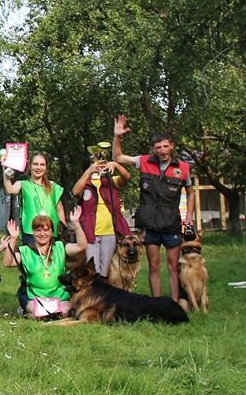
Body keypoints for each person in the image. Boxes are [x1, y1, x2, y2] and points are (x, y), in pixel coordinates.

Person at [113, 115, 195, 300]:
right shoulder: (144, 161)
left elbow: (191, 193)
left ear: (171, 146)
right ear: (153, 149)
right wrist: (117, 135)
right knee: (154, 265)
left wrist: (189, 216)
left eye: (165, 146)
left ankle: (173, 303)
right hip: (149, 224)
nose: (162, 150)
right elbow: (117, 157)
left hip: (171, 224)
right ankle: (157, 304)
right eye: (158, 147)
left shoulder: (183, 168)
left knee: (173, 266)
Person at [6, 207, 87, 318]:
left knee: (65, 313)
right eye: (38, 230)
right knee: (39, 313)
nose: (42, 234)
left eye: (46, 230)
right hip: (35, 298)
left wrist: (75, 223)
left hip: (59, 298)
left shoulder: (60, 247)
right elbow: (8, 262)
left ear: (51, 232)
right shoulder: (26, 250)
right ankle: (28, 311)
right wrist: (13, 238)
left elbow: (81, 246)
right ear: (33, 233)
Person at [71, 158, 131, 278]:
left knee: (106, 271)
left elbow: (126, 177)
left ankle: (104, 295)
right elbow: (75, 191)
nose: (98, 165)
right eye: (95, 162)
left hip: (110, 232)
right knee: (92, 269)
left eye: (102, 163)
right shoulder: (86, 183)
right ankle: (93, 295)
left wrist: (116, 165)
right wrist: (88, 172)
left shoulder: (110, 181)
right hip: (90, 233)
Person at [3, 152, 66, 246]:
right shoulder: (23, 184)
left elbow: (60, 210)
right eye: (35, 164)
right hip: (30, 232)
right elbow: (10, 190)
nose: (39, 167)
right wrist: (4, 168)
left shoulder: (54, 187)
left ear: (46, 167)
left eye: (42, 164)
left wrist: (64, 230)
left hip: (51, 232)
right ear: (30, 166)